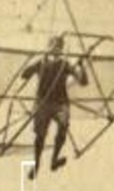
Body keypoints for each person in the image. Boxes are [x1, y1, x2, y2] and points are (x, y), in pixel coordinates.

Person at [20, 35, 88, 180]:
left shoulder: (65, 64)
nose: (56, 48)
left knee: (63, 126)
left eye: (58, 46)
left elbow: (83, 82)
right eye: (53, 45)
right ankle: (36, 164)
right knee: (40, 135)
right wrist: (35, 61)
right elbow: (24, 74)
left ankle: (54, 159)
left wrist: (81, 65)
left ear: (62, 48)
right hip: (42, 102)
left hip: (60, 103)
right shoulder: (41, 62)